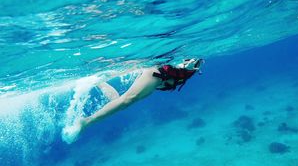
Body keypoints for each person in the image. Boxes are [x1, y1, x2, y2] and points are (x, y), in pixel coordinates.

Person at [62, 58, 203, 143]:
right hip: (157, 74)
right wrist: (185, 65)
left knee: (120, 101)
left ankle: (98, 81)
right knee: (126, 100)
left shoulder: (196, 62)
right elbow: (180, 64)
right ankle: (86, 121)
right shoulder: (189, 58)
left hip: (158, 79)